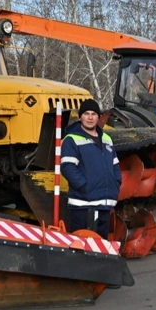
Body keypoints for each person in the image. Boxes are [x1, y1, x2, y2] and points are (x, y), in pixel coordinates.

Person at [60, 99, 122, 240]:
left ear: (98, 117)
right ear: (80, 116)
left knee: (100, 247)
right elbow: (68, 167)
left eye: (93, 114)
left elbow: (115, 165)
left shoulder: (107, 138)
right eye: (86, 114)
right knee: (82, 249)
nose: (89, 117)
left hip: (104, 205)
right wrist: (85, 187)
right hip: (84, 206)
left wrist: (116, 183)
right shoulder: (71, 139)